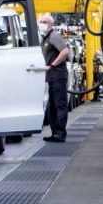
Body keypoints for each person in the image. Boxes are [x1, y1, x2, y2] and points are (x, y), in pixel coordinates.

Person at [38, 15, 70, 143]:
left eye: (44, 22)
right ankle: (55, 133)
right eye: (40, 22)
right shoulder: (45, 38)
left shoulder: (54, 36)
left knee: (59, 104)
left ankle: (60, 133)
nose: (42, 24)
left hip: (58, 75)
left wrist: (52, 65)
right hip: (51, 77)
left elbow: (65, 51)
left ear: (51, 24)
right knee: (52, 106)